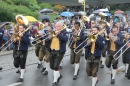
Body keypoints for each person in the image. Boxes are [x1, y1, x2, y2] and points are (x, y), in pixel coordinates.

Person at [49, 22, 68, 86]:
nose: (56, 28)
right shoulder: (53, 32)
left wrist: (58, 34)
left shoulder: (64, 32)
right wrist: (50, 37)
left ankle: (55, 81)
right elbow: (48, 40)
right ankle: (59, 76)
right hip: (52, 50)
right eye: (56, 26)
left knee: (56, 66)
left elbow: (65, 39)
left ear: (61, 27)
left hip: (60, 51)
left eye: (58, 26)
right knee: (51, 66)